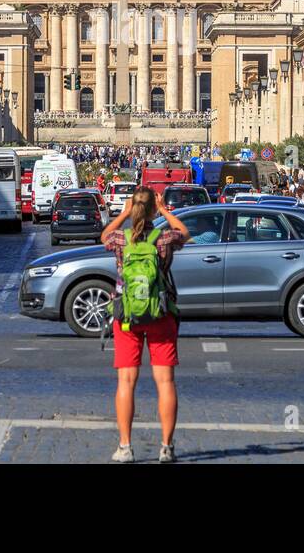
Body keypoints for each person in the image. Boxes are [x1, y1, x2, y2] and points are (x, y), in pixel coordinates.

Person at [99, 187, 191, 463]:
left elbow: (103, 236)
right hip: (160, 314)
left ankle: (125, 447)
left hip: (127, 317)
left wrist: (124, 213)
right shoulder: (163, 239)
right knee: (165, 382)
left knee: (126, 382)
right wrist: (164, 211)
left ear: (132, 209)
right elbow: (185, 233)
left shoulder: (120, 239)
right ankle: (166, 447)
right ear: (152, 210)